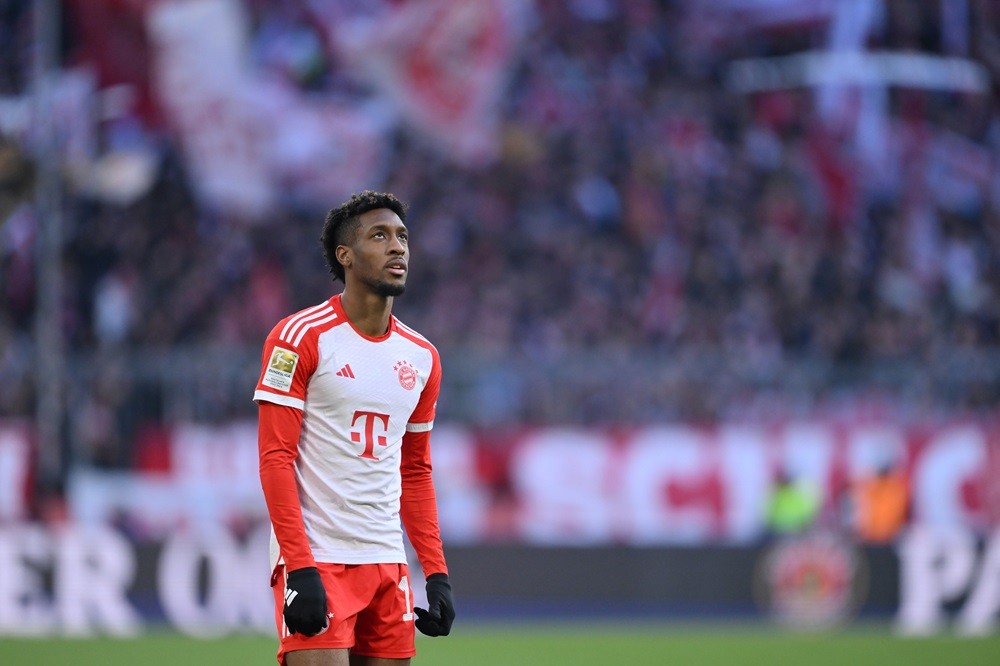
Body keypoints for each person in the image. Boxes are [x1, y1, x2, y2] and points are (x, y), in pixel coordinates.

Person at [254, 190, 455, 665]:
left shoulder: (422, 357)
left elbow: (416, 471)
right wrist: (300, 569)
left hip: (387, 561)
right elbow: (275, 458)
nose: (397, 248)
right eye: (380, 236)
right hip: (318, 555)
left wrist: (436, 574)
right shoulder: (298, 337)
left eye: (403, 237)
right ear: (345, 255)